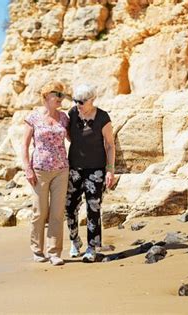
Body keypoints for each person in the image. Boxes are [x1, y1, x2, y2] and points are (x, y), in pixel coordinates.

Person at [65, 84, 116, 263]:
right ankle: (74, 241)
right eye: (75, 100)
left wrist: (110, 170)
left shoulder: (103, 117)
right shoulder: (72, 114)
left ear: (92, 100)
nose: (77, 104)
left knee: (93, 207)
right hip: (74, 168)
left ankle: (91, 247)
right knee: (70, 207)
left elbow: (110, 145)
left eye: (81, 101)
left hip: (96, 169)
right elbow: (70, 136)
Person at [22, 81, 69, 266]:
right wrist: (27, 168)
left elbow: (76, 138)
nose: (60, 98)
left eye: (62, 94)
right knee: (39, 212)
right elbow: (24, 146)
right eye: (56, 94)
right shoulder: (33, 118)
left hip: (61, 170)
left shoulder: (64, 118)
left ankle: (55, 252)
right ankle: (37, 250)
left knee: (57, 213)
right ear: (45, 96)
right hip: (39, 171)